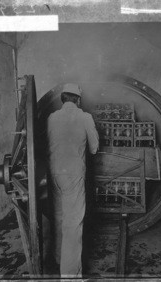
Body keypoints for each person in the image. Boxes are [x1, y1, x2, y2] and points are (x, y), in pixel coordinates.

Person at [47, 83, 99, 277]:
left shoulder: (52, 118)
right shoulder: (84, 117)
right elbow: (94, 148)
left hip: (54, 172)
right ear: (78, 100)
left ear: (63, 99)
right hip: (73, 175)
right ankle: (70, 277)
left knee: (59, 218)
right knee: (73, 224)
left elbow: (45, 143)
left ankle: (59, 261)